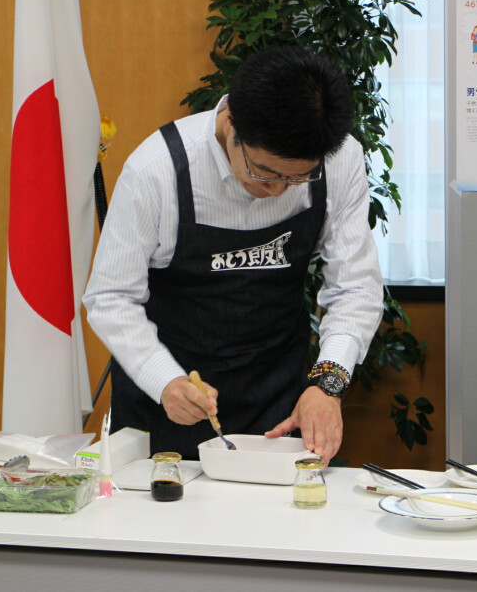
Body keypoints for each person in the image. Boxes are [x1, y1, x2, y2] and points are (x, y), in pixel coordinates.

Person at [83, 46, 383, 464]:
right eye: (264, 172)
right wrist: (164, 379)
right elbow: (110, 296)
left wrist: (327, 384)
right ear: (229, 123)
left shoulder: (340, 159)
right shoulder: (157, 170)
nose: (277, 191)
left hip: (278, 400)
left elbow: (355, 287)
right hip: (170, 400)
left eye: (297, 179)